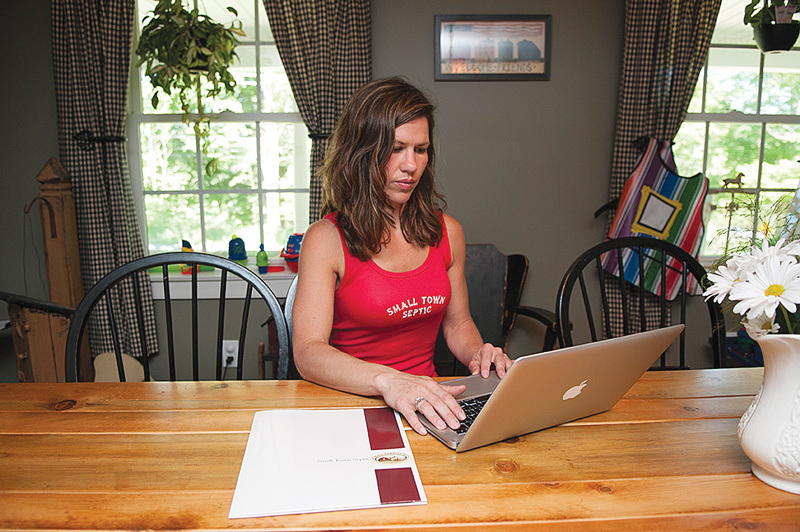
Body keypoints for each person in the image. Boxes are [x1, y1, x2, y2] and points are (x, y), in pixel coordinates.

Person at [291, 77, 512, 435]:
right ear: (362, 152)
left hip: (430, 405)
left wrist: (478, 354)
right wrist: (390, 382)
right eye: (396, 149)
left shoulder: (447, 231)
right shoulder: (325, 239)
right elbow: (308, 353)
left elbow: (457, 324)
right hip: (355, 405)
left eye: (420, 150)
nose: (411, 165)